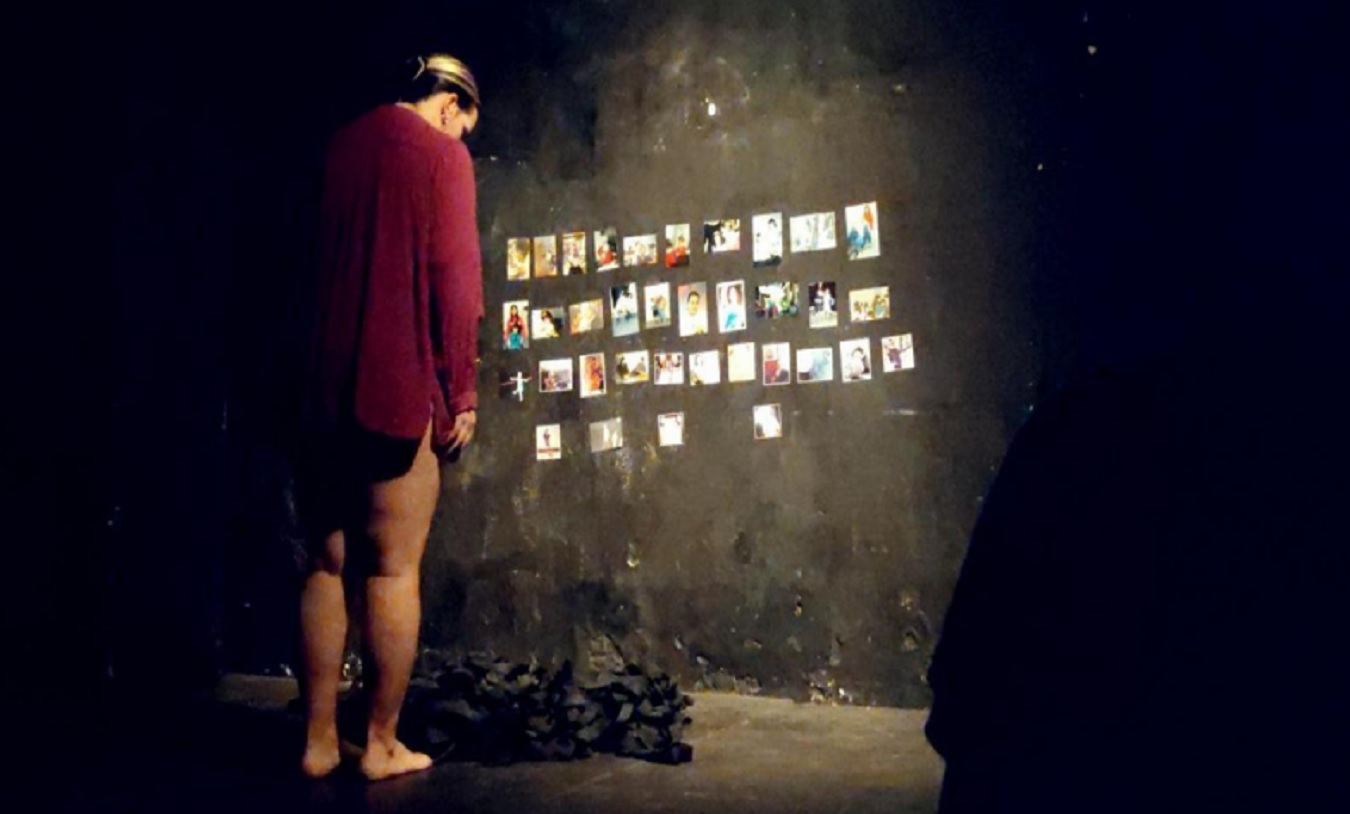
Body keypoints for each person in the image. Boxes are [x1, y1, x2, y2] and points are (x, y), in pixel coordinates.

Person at [299, 53, 483, 781]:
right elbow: (456, 280)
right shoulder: (442, 157)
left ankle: (318, 742)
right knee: (393, 569)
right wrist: (461, 389)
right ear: (449, 105)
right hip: (396, 386)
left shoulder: (338, 146)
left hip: (320, 387)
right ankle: (379, 743)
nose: (461, 140)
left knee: (323, 565)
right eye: (463, 127)